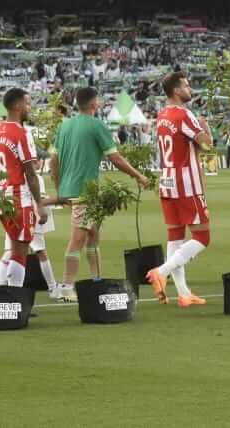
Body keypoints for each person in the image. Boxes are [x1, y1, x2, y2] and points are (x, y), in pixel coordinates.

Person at [49, 87, 154, 303]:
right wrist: (139, 176)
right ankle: (67, 286)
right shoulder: (97, 126)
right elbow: (115, 159)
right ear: (93, 104)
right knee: (78, 237)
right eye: (98, 100)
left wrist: (59, 187)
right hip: (84, 190)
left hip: (74, 189)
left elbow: (53, 161)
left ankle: (96, 279)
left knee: (93, 234)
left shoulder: (65, 126)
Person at [146, 71, 213, 307]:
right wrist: (205, 128)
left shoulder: (162, 115)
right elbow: (206, 145)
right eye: (186, 85)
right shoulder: (184, 115)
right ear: (176, 91)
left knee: (175, 236)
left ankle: (183, 293)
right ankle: (161, 272)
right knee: (202, 237)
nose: (190, 89)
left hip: (166, 181)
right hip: (187, 183)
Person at [0, 88, 50, 289]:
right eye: (27, 103)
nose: (29, 107)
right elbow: (30, 171)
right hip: (17, 195)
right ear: (17, 106)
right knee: (21, 250)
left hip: (0, 196)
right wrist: (39, 203)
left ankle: (2, 291)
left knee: (13, 247)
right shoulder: (21, 133)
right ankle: (15, 298)